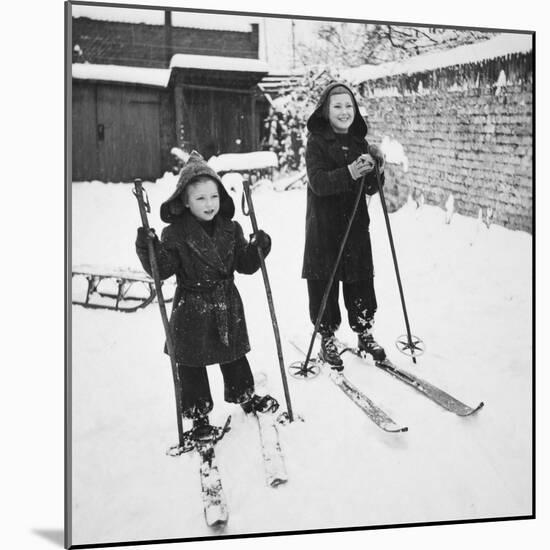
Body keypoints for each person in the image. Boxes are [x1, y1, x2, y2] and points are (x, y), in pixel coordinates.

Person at [136, 151, 277, 437]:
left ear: (221, 197)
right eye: (200, 198)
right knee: (192, 365)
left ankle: (246, 397)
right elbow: (162, 269)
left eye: (213, 197)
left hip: (226, 302)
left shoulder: (231, 228)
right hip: (192, 308)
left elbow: (245, 265)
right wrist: (147, 246)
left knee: (234, 356)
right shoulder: (174, 234)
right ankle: (199, 417)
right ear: (184, 201)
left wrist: (258, 247)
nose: (209, 204)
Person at [302, 82, 386, 369]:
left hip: (355, 225)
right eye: (337, 105)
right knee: (324, 280)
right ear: (325, 111)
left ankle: (364, 331)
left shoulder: (360, 143)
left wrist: (377, 168)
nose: (344, 111)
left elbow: (372, 188)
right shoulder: (316, 142)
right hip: (324, 227)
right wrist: (350, 171)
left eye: (349, 105)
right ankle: (326, 336)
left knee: (360, 279)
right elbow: (319, 182)